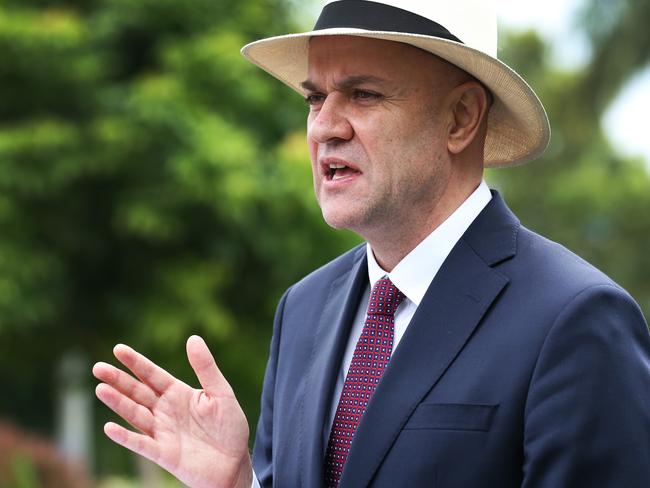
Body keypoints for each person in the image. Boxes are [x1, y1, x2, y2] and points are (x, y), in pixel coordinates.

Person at [93, 1, 650, 487]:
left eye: (362, 94)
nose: (323, 127)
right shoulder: (303, 310)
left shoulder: (576, 319)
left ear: (461, 117)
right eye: (315, 99)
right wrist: (240, 483)